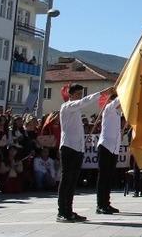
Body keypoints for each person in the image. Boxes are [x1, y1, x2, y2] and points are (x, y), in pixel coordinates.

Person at [57, 84, 114, 223]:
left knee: (72, 182)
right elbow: (84, 102)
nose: (79, 97)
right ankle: (62, 212)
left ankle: (69, 210)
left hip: (77, 149)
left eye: (80, 94)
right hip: (68, 147)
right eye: (77, 94)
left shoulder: (76, 110)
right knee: (66, 180)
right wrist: (102, 92)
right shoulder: (67, 106)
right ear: (70, 95)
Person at [96, 93, 122, 214]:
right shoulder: (108, 108)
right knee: (103, 178)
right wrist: (125, 91)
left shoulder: (118, 113)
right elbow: (116, 102)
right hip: (105, 146)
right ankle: (100, 205)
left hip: (114, 148)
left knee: (109, 178)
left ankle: (106, 203)